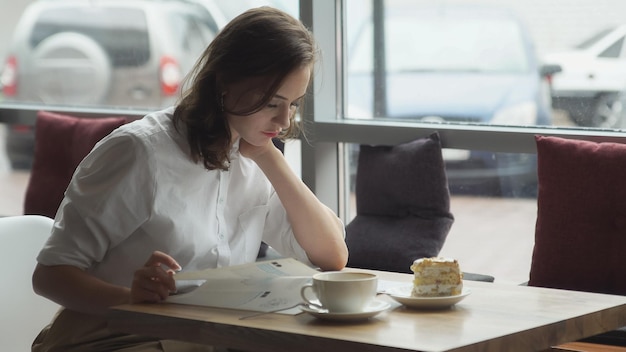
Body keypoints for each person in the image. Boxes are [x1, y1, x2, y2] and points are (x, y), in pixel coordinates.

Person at [31, 6, 348, 352]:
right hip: (111, 338)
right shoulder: (139, 152)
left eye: (295, 104)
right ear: (225, 81)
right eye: (272, 103)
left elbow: (332, 255)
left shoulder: (253, 152)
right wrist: (133, 299)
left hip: (200, 338)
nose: (285, 120)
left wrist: (269, 155)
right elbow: (50, 276)